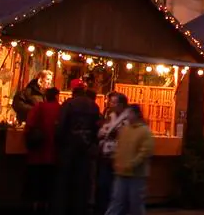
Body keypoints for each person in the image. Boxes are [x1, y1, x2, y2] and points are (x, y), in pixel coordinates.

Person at [54, 81, 101, 215]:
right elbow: (97, 128)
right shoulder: (93, 106)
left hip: (68, 149)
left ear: (73, 92)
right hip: (85, 150)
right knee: (81, 185)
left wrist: (59, 145)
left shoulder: (68, 105)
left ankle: (63, 209)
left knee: (64, 183)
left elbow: (60, 127)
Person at [104, 104, 154, 215]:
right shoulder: (125, 130)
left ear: (136, 114)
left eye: (130, 113)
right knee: (117, 202)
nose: (127, 116)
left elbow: (145, 151)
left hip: (136, 174)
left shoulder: (144, 131)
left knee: (135, 204)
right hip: (121, 172)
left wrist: (133, 163)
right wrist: (117, 160)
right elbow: (120, 147)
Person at [24, 87, 60, 215]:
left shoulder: (39, 107)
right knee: (48, 182)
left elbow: (29, 125)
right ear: (56, 96)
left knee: (35, 181)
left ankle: (34, 206)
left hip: (37, 153)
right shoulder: (60, 109)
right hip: (53, 153)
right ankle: (46, 206)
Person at [96, 92, 129, 215]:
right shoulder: (110, 116)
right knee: (104, 187)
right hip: (106, 157)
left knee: (116, 190)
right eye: (110, 102)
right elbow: (101, 132)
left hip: (119, 159)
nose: (110, 104)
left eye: (113, 102)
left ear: (121, 104)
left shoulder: (128, 119)